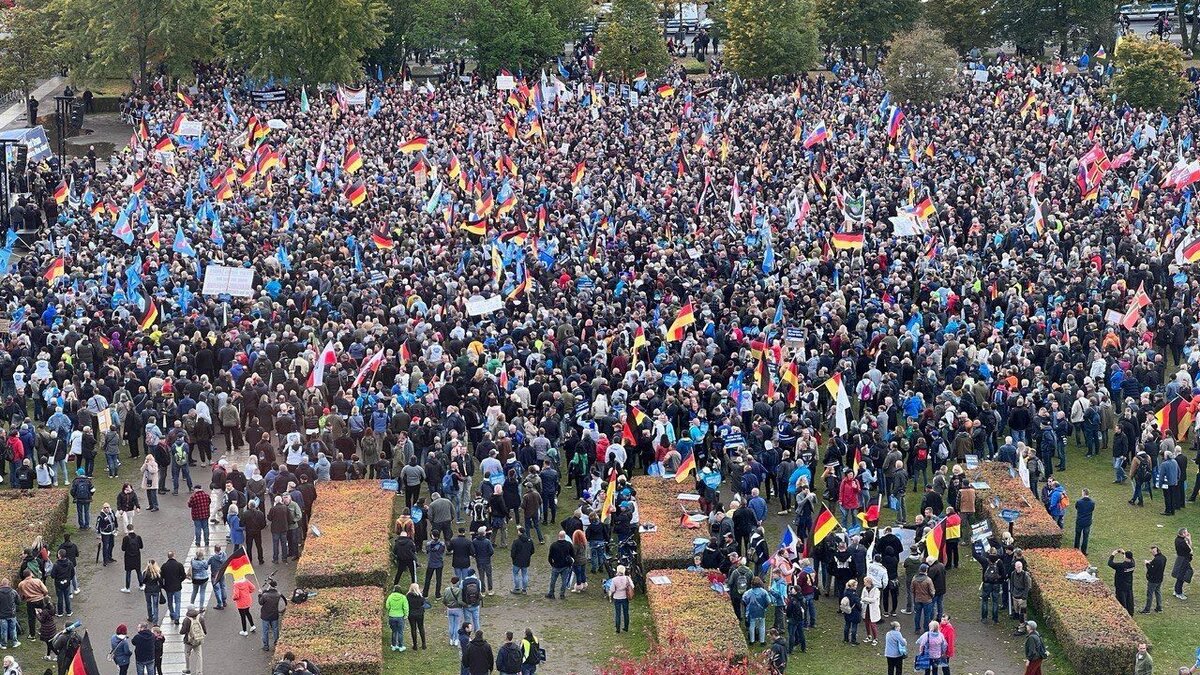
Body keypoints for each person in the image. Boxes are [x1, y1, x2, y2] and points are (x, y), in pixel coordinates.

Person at [258, 580, 285, 651]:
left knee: (265, 631)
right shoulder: (278, 594)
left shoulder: (265, 595)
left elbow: (260, 602)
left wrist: (260, 594)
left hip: (265, 615)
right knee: (275, 629)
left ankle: (266, 646)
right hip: (274, 614)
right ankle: (276, 643)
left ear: (269, 585)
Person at [546, 531, 574, 600]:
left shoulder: (553, 545)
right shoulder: (568, 544)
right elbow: (573, 555)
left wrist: (552, 564)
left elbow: (550, 557)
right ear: (564, 536)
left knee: (553, 580)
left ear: (558, 536)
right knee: (564, 581)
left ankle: (551, 593)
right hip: (565, 566)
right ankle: (562, 594)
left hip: (556, 566)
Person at [161, 552, 187, 624]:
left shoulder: (164, 566)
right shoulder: (179, 565)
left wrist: (163, 585)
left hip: (168, 587)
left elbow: (161, 577)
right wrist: (179, 581)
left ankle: (172, 613)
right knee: (177, 602)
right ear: (174, 556)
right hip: (177, 587)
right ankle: (177, 617)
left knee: (170, 602)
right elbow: (183, 575)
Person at [1108, 549, 1135, 615]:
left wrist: (1113, 554)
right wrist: (1124, 553)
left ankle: (1123, 614)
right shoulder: (1133, 564)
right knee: (1129, 599)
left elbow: (1110, 563)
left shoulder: (1121, 566)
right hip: (1129, 584)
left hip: (1120, 586)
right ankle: (1130, 612)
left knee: (1121, 600)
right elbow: (1132, 559)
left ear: (1125, 557)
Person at [1142, 545, 1168, 613]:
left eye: (1152, 552)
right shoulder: (1163, 557)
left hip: (1153, 580)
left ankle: (1147, 609)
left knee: (1150, 594)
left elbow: (1151, 570)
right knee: (1158, 592)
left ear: (1155, 551)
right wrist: (1152, 562)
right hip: (1160, 578)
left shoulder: (1156, 560)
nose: (1152, 553)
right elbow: (1158, 566)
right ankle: (1159, 608)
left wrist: (1147, 564)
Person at [609, 564, 634, 633]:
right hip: (625, 597)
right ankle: (626, 627)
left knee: (618, 613)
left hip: (617, 598)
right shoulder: (627, 578)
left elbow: (612, 589)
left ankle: (617, 629)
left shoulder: (614, 579)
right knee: (626, 613)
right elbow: (632, 586)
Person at [180, 607, 206, 674]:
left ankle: (188, 668)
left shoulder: (186, 620)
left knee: (187, 654)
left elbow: (182, 631)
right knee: (198, 656)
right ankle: (199, 672)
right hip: (198, 640)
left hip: (188, 641)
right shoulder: (200, 618)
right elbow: (204, 630)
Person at [510, 526, 534, 594]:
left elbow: (513, 552)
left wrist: (513, 558)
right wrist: (528, 556)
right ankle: (524, 590)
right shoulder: (530, 541)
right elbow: (532, 551)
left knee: (515, 574)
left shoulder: (516, 542)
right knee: (525, 575)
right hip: (526, 561)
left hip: (517, 561)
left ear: (520, 532)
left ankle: (517, 588)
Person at [386, 584, 409, 652]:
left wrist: (390, 610)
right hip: (400, 617)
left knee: (394, 631)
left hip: (392, 616)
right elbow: (406, 608)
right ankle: (400, 646)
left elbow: (387, 606)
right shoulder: (403, 597)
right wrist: (406, 615)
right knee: (400, 632)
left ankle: (394, 645)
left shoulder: (390, 596)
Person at [839, 578, 861, 646]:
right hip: (854, 612)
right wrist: (860, 608)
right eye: (855, 585)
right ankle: (853, 641)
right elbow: (858, 604)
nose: (856, 586)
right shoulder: (854, 594)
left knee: (847, 625)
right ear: (852, 586)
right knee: (854, 627)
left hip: (847, 611)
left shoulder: (846, 592)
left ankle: (846, 639)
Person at [121, 525, 144, 593]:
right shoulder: (138, 537)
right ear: (133, 528)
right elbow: (141, 546)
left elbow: (123, 549)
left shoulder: (126, 538)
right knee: (139, 571)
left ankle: (127, 588)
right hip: (137, 557)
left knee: (128, 572)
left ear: (127, 529)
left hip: (128, 558)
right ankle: (141, 585)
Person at [1173, 527, 1193, 600]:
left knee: (1181, 575)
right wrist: (1189, 539)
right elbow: (1190, 550)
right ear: (1183, 533)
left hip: (1181, 559)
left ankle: (1176, 590)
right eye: (1186, 532)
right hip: (1184, 560)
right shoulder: (1182, 542)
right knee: (1182, 576)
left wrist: (1187, 540)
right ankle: (1178, 593)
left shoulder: (1177, 539)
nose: (1187, 533)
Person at [1073, 488, 1095, 555]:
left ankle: (1076, 549)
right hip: (1087, 522)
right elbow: (1092, 509)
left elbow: (1076, 507)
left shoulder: (1079, 502)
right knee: (1085, 537)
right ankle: (1084, 551)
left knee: (1077, 536)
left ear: (1083, 493)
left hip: (1079, 521)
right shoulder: (1092, 503)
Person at [0, 579, 20, 650]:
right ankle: (15, 643)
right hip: (12, 614)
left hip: (2, 615)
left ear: (1, 584)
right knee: (13, 629)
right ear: (8, 584)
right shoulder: (13, 592)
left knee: (3, 630)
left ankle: (3, 645)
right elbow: (18, 602)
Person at [407, 583, 427, 650]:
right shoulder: (420, 596)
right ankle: (424, 644)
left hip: (411, 614)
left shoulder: (408, 596)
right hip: (420, 614)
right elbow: (423, 604)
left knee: (413, 629)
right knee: (421, 628)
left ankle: (415, 645)